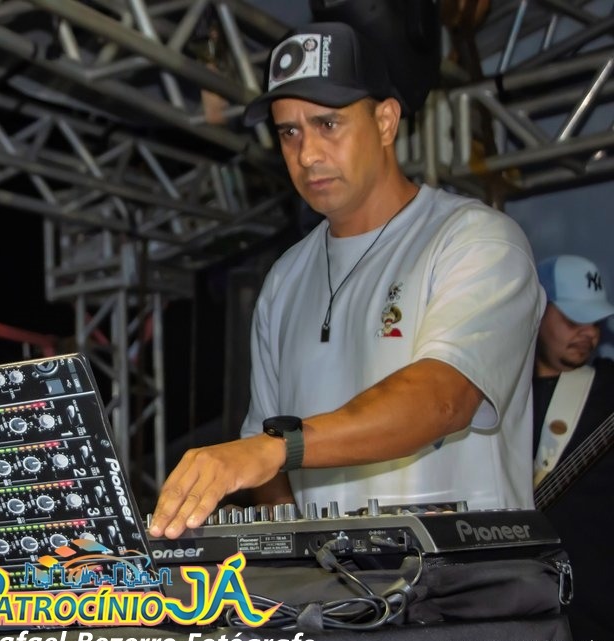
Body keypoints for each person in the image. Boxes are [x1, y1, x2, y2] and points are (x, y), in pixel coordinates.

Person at [148, 22, 544, 540]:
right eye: (289, 132)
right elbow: (268, 461)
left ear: (386, 121)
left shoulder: (475, 240)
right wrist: (298, 557)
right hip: (339, 589)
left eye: (328, 124)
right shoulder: (285, 280)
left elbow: (443, 398)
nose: (307, 154)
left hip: (468, 581)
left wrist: (278, 449)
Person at [532, 254, 614, 641]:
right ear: (536, 309)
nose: (588, 332)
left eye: (596, 321)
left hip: (599, 618)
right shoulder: (494, 397)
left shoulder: (608, 388)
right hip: (519, 609)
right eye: (572, 318)